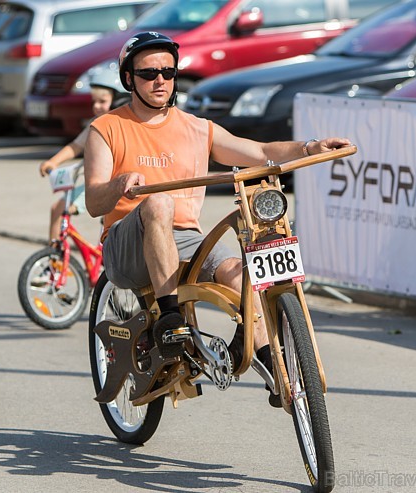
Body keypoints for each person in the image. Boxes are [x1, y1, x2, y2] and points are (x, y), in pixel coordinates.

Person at [83, 32, 351, 407]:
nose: (160, 80)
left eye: (168, 71)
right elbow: (94, 201)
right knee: (160, 202)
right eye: (148, 74)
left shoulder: (197, 127)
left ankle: (267, 360)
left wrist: (310, 147)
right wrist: (119, 185)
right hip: (128, 244)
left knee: (240, 275)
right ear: (129, 79)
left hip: (185, 240)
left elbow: (259, 151)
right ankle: (170, 318)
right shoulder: (107, 127)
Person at [38, 68, 129, 242]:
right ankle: (55, 257)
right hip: (95, 185)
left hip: (112, 186)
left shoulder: (124, 127)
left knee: (107, 226)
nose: (96, 106)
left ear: (119, 101)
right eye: (94, 101)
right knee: (57, 208)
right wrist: (53, 162)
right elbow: (76, 146)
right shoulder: (96, 125)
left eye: (102, 101)